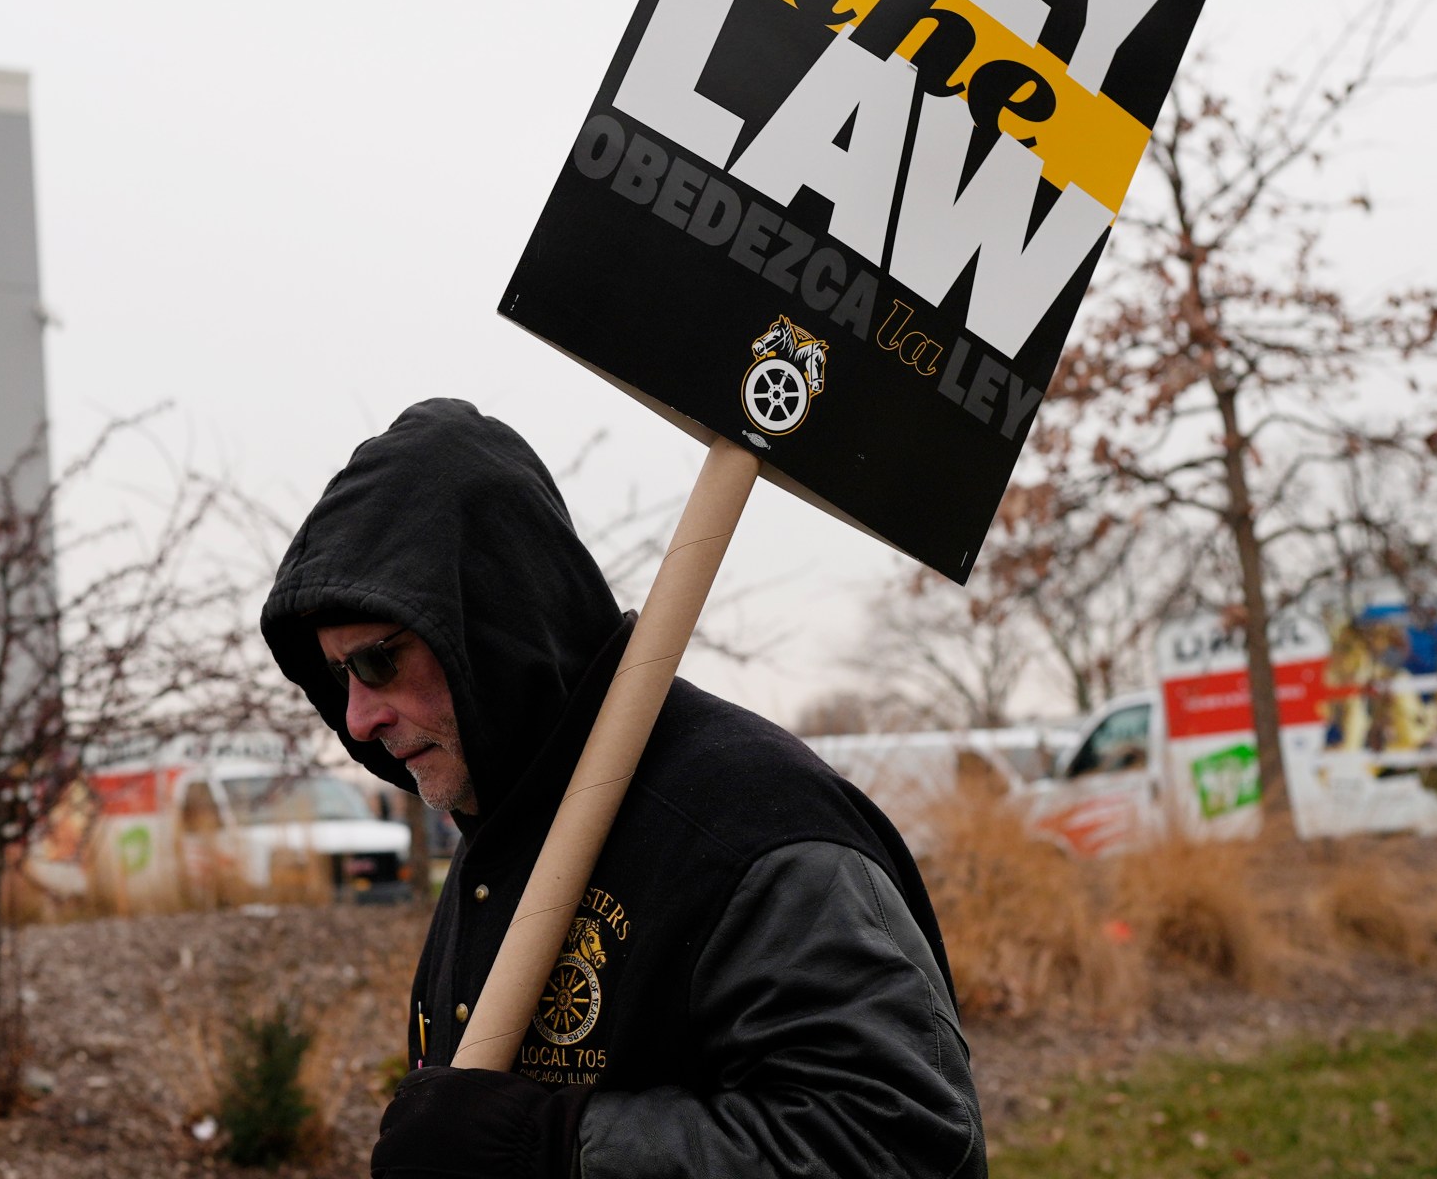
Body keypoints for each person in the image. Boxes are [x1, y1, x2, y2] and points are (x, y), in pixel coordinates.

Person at [262, 399, 984, 1179]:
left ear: (490, 619)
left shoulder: (748, 827)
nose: (359, 716)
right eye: (339, 677)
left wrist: (555, 1150)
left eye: (379, 661)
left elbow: (904, 1143)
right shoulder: (503, 836)